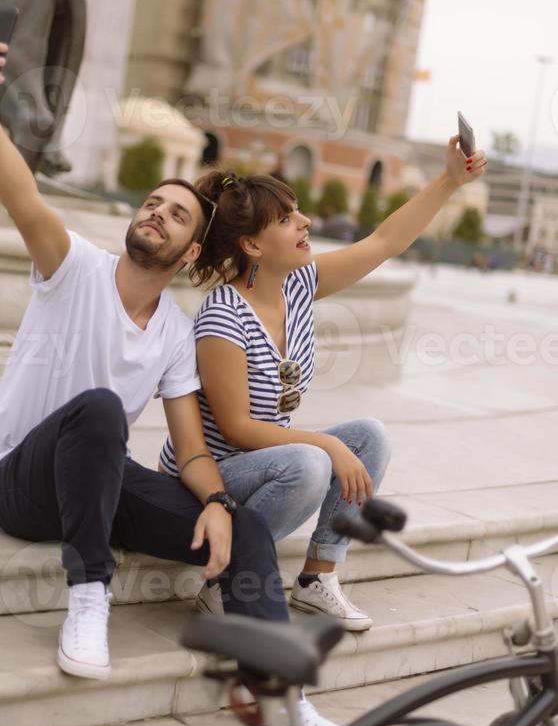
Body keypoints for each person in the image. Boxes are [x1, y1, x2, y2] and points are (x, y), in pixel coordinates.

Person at [0, 28, 342, 726]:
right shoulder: (72, 269)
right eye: (152, 203)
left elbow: (194, 449)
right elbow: (19, 191)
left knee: (249, 529)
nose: (157, 213)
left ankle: (279, 712)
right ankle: (89, 597)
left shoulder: (175, 333)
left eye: (176, 214)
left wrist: (217, 508)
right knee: (100, 409)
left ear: (193, 253)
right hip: (17, 484)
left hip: (97, 479)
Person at [160, 141, 488, 623]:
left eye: (297, 212)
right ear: (252, 245)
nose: (305, 222)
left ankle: (317, 577)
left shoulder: (295, 286)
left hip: (264, 463)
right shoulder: (222, 317)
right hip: (207, 479)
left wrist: (449, 182)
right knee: (311, 463)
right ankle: (227, 580)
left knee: (368, 437)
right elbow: (235, 428)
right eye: (288, 219)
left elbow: (383, 242)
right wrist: (323, 446)